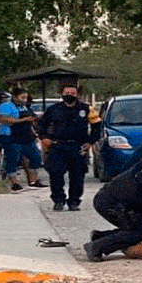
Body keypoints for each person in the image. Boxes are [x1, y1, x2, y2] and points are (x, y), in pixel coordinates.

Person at [36, 82, 102, 211]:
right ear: (61, 94)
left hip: (78, 147)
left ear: (78, 94)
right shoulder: (53, 109)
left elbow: (97, 126)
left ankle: (74, 202)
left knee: (77, 176)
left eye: (73, 93)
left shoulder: (86, 109)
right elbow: (41, 126)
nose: (70, 96)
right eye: (67, 93)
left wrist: (90, 141)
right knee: (55, 174)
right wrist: (44, 138)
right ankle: (58, 200)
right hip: (57, 147)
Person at [0, 87, 45, 191]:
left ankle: (34, 180)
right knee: (13, 157)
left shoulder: (26, 107)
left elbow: (32, 117)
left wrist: (34, 120)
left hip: (26, 136)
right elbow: (3, 119)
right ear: (15, 97)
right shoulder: (6, 106)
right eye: (22, 97)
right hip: (10, 136)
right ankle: (14, 183)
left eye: (26, 98)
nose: (24, 100)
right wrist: (22, 120)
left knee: (36, 156)